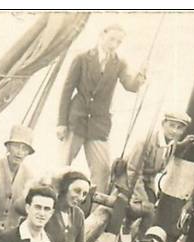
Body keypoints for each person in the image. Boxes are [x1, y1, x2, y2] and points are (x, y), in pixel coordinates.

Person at [56, 24, 147, 192]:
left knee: (102, 171)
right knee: (62, 168)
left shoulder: (119, 63)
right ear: (102, 35)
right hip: (76, 120)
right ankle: (51, 202)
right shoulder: (82, 58)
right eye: (112, 39)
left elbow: (130, 85)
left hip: (99, 124)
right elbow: (67, 90)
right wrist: (61, 123)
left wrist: (140, 77)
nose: (114, 44)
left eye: (119, 42)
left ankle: (94, 212)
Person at [123, 111, 194, 236]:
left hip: (147, 182)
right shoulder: (146, 142)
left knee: (153, 209)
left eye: (179, 128)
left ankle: (138, 238)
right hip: (128, 181)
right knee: (149, 211)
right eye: (171, 125)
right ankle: (130, 230)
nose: (174, 131)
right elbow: (133, 171)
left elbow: (169, 151)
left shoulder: (170, 143)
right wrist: (142, 198)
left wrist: (184, 144)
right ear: (163, 124)